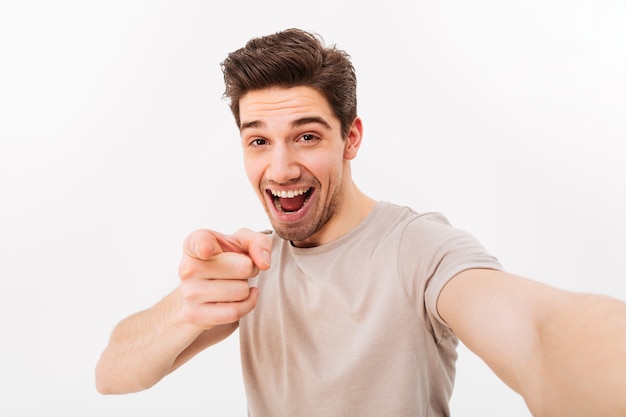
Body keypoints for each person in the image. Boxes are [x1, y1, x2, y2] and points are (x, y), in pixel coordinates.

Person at [95, 28, 626, 417]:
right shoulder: (250, 261)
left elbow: (538, 334)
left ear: (350, 139)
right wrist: (184, 308)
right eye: (259, 140)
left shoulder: (417, 249)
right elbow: (111, 374)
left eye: (306, 136)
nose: (279, 169)